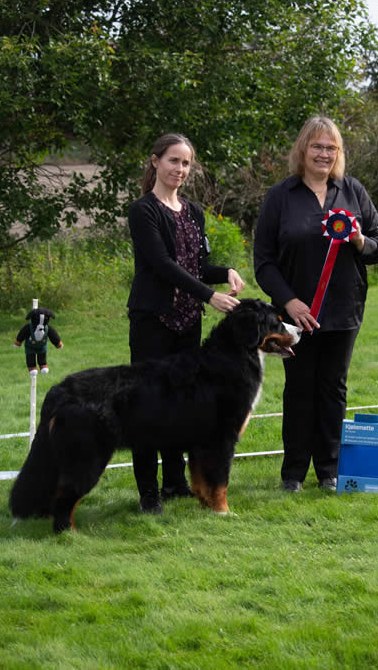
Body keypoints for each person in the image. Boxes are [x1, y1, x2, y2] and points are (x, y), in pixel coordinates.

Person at [253, 116, 378, 492]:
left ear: (338, 154)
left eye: (331, 148)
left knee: (332, 388)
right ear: (303, 150)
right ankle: (293, 472)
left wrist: (360, 241)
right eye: (317, 146)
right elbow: (263, 260)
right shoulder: (280, 196)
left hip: (344, 311)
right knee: (299, 389)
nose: (324, 154)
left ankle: (329, 471)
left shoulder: (353, 191)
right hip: (297, 315)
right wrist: (289, 302)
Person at [127, 133, 245, 513]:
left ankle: (175, 484)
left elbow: (195, 267)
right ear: (155, 162)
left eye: (186, 163)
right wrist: (210, 296)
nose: (180, 169)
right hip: (152, 322)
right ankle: (148, 494)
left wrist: (224, 271)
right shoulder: (142, 211)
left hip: (187, 323)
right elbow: (163, 265)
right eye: (173, 161)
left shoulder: (193, 212)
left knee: (182, 406)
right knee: (148, 406)